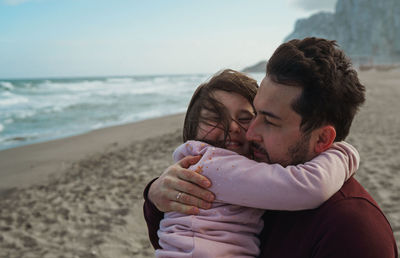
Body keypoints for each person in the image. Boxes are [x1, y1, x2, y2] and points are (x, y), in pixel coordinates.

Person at [144, 38, 398, 257]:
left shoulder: (352, 232)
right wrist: (155, 197)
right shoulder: (261, 176)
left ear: (322, 140)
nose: (250, 132)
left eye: (269, 121)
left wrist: (344, 153)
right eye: (255, 115)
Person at [155, 69, 359, 257]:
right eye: (215, 117)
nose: (232, 127)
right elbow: (308, 186)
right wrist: (343, 152)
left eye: (244, 118)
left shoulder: (241, 168)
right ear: (192, 126)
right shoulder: (210, 165)